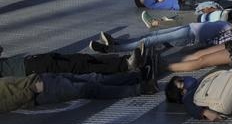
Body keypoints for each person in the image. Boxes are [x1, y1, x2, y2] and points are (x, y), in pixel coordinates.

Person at [90, 15, 232, 53]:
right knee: (151, 37)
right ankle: (117, 42)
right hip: (189, 28)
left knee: (150, 41)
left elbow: (217, 42)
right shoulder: (230, 24)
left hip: (191, 35)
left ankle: (114, 49)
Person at [0, 71, 155, 113]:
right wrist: (32, 91)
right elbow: (8, 104)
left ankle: (135, 77)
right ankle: (140, 88)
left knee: (94, 78)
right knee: (89, 89)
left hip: (41, 78)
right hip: (42, 91)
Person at [0, 47, 144, 77]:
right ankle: (126, 65)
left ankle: (125, 59)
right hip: (30, 70)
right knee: (80, 66)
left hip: (32, 62)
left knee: (80, 59)